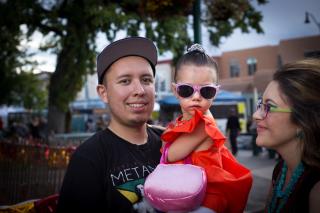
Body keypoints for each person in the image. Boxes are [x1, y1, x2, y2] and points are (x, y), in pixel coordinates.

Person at [57, 37, 163, 212]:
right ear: (103, 93)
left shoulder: (172, 142)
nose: (139, 90)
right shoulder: (89, 158)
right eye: (125, 81)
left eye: (146, 80)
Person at [160, 44, 253, 213]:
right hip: (186, 191)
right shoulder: (184, 120)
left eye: (206, 91)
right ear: (175, 90)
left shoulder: (203, 124)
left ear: (215, 93)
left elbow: (171, 154)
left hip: (208, 196)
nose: (196, 97)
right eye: (186, 90)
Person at [253, 59, 320, 213]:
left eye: (269, 107)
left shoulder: (316, 189)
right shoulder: (281, 169)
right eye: (260, 105)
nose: (256, 115)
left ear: (304, 120)